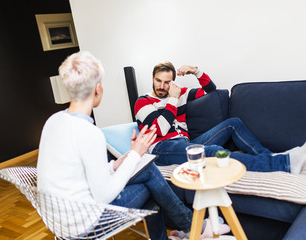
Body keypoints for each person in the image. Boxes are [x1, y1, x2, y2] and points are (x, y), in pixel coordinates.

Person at [37, 52, 228, 240]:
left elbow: (77, 172)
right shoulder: (91, 133)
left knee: (147, 170)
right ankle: (193, 226)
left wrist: (116, 164)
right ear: (98, 89)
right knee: (149, 173)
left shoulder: (53, 121)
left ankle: (189, 226)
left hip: (57, 221)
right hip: (85, 222)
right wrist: (135, 154)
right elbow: (104, 194)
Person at [134, 62, 306, 174]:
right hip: (162, 149)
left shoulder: (179, 93)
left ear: (173, 81)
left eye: (167, 82)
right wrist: (172, 100)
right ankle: (283, 163)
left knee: (233, 124)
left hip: (186, 142)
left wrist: (195, 71)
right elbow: (161, 129)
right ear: (152, 78)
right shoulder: (143, 102)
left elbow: (210, 90)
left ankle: (269, 156)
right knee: (212, 151)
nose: (162, 86)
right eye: (158, 80)